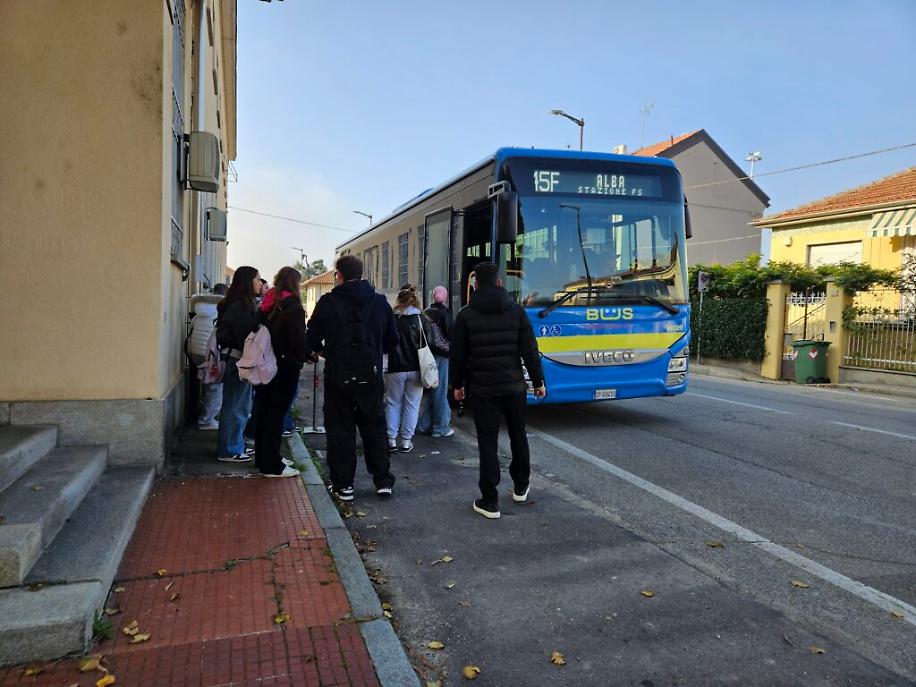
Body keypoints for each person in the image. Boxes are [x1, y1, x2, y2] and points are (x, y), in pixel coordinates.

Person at [450, 262, 546, 519]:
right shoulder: (516, 311)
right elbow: (530, 351)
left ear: (475, 285)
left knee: (488, 442)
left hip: (483, 389)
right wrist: (538, 382)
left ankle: (490, 500)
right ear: (500, 283)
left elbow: (458, 356)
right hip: (514, 386)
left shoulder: (466, 315)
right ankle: (521, 486)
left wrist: (457, 385)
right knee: (518, 435)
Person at [306, 255, 398, 501]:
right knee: (375, 426)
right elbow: (392, 340)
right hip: (371, 376)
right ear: (361, 274)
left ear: (339, 275)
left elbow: (311, 339)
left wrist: (326, 352)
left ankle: (344, 484)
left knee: (340, 430)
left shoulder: (327, 303)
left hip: (338, 378)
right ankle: (382, 480)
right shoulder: (380, 302)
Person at [254, 267, 311, 478]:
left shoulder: (267, 302)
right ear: (295, 283)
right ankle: (271, 465)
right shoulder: (292, 305)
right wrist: (303, 356)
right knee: (277, 415)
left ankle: (262, 457)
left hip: (265, 363)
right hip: (286, 366)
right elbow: (297, 339)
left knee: (263, 411)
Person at [216, 266, 262, 463]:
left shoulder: (235, 303)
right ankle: (229, 449)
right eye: (257, 279)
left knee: (238, 404)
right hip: (239, 360)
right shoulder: (241, 306)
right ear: (247, 282)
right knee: (237, 405)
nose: (260, 283)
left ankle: (236, 444)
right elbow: (245, 337)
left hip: (234, 358)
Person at [385, 284, 432, 454]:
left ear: (399, 300)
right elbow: (429, 342)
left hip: (396, 367)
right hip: (416, 368)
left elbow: (386, 343)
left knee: (393, 403)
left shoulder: (392, 319)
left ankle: (391, 439)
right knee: (412, 405)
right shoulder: (421, 319)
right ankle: (406, 441)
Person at [417, 285, 454, 438]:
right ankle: (440, 428)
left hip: (427, 354)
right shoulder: (445, 312)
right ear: (444, 297)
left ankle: (424, 424)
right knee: (440, 390)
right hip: (442, 354)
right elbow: (450, 332)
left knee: (432, 389)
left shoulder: (425, 312)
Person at [196, 282, 229, 430]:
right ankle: (207, 420)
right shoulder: (221, 310)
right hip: (211, 353)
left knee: (206, 385)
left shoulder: (201, 308)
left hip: (196, 350)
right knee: (215, 387)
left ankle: (204, 415)